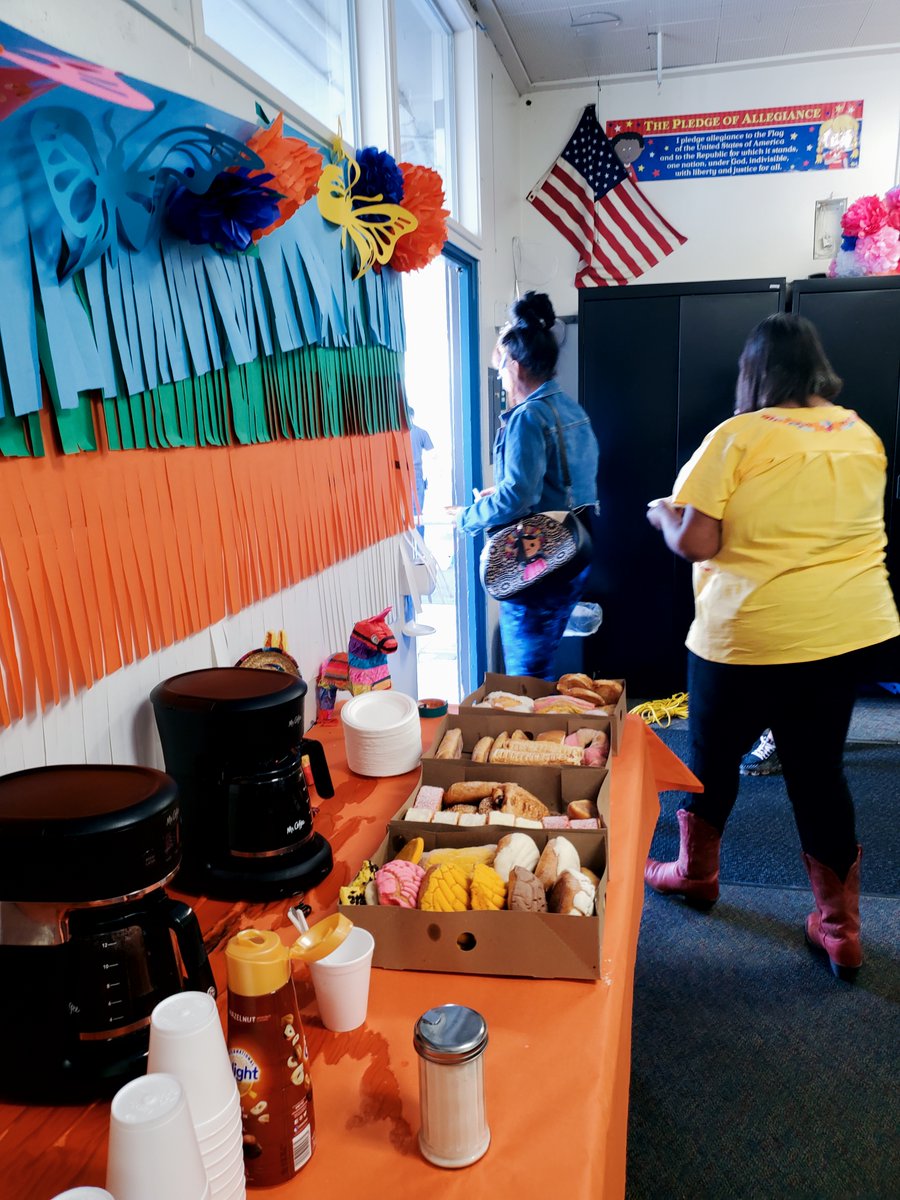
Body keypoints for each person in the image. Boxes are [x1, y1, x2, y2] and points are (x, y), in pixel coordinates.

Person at [643, 313, 899, 982]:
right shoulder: (860, 434)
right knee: (819, 774)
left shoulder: (739, 435)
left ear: (754, 371)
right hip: (842, 631)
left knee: (711, 762)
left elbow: (697, 541)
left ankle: (696, 874)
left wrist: (663, 514)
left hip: (747, 634)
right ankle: (841, 930)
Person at [448, 291, 599, 679]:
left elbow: (518, 497)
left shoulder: (527, 417)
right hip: (575, 548)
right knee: (545, 659)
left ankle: (533, 718)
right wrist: (499, 493)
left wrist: (468, 517)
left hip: (539, 557)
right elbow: (562, 484)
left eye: (500, 370)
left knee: (525, 677)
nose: (501, 379)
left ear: (514, 366)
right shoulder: (570, 409)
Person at [407, 407, 433, 537]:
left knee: (411, 514)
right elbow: (431, 456)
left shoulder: (396, 434)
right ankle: (419, 544)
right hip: (415, 475)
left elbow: (431, 456)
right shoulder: (421, 433)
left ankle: (414, 544)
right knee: (417, 513)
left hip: (409, 475)